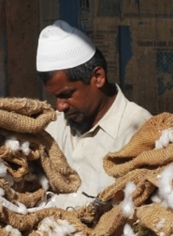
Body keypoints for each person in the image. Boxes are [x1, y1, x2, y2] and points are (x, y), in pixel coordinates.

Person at [37, 20, 151, 209]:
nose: (60, 106)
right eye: (54, 97)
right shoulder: (53, 128)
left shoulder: (139, 130)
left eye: (67, 94)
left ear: (98, 77)